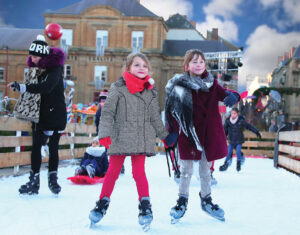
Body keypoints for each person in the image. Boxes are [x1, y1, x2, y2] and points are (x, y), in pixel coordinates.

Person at [88, 52, 177, 229]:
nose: (141, 68)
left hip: (140, 137)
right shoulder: (118, 87)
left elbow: (154, 117)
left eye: (144, 66)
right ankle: (101, 204)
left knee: (139, 173)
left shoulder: (150, 91)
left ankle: (145, 206)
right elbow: (107, 113)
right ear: (128, 68)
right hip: (120, 135)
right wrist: (104, 132)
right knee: (112, 172)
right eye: (137, 65)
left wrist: (164, 136)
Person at [164, 49, 240, 222]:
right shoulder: (180, 84)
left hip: (207, 135)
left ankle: (206, 200)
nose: (198, 65)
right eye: (194, 61)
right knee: (186, 171)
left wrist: (234, 96)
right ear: (186, 65)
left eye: (201, 62)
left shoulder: (212, 83)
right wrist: (173, 131)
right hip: (189, 135)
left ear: (205, 64)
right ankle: (181, 201)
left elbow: (226, 94)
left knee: (206, 171)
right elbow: (172, 110)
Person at [8, 35, 66, 195]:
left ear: (42, 56)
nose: (32, 59)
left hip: (56, 113)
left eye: (34, 56)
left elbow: (46, 87)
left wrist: (23, 87)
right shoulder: (35, 70)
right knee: (36, 147)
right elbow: (34, 87)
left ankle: (53, 179)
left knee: (53, 146)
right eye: (31, 56)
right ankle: (34, 182)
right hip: (40, 114)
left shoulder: (55, 69)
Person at [219, 107, 261, 172]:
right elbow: (224, 131)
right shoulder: (228, 121)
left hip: (239, 140)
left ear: (237, 114)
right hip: (231, 140)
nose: (233, 115)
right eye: (232, 113)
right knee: (229, 152)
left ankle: (238, 164)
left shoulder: (241, 121)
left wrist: (256, 132)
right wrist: (221, 139)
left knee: (238, 151)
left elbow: (249, 126)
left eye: (234, 113)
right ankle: (225, 164)